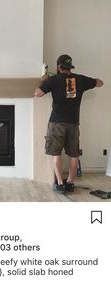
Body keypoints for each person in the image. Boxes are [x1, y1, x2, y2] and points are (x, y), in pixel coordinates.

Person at [35, 54, 104, 194]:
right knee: (74, 155)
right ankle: (70, 183)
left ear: (59, 67)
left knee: (56, 154)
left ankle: (60, 183)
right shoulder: (80, 79)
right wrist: (92, 81)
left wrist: (42, 81)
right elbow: (100, 82)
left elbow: (37, 93)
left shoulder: (53, 80)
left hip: (57, 123)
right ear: (70, 67)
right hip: (73, 123)